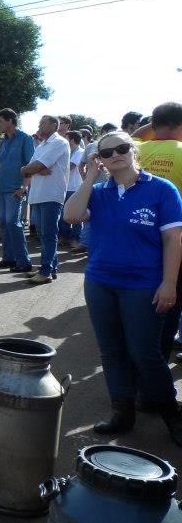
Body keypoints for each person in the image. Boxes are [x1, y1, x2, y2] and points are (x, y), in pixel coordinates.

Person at [62, 130, 182, 445]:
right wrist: (88, 178)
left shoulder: (161, 189)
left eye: (121, 148)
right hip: (101, 282)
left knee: (144, 352)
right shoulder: (99, 193)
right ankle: (122, 413)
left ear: (133, 150)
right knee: (112, 351)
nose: (115, 155)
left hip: (144, 284)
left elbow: (173, 239)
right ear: (99, 160)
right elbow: (72, 215)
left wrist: (170, 283)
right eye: (106, 152)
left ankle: (172, 414)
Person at [132, 102, 182, 362]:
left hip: (136, 239)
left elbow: (135, 136)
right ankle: (156, 367)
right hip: (173, 241)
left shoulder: (133, 151)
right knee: (169, 308)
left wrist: (152, 124)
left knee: (136, 304)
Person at [20, 115, 70, 285]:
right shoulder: (42, 144)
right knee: (43, 233)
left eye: (42, 123)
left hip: (51, 194)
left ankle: (46, 271)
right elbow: (34, 166)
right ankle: (50, 268)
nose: (39, 126)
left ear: (53, 125)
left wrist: (31, 169)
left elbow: (36, 166)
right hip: (39, 194)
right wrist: (32, 169)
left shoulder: (59, 142)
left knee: (48, 233)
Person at [0, 108, 36, 273]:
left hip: (15, 190)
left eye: (0, 121)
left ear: (10, 120)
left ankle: (24, 262)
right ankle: (8, 258)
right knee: (4, 224)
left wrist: (24, 187)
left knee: (13, 224)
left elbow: (30, 165)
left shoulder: (25, 139)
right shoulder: (3, 141)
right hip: (1, 189)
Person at [58, 131, 85, 251]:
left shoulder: (80, 152)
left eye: (67, 138)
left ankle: (75, 238)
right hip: (66, 187)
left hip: (75, 187)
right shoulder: (70, 151)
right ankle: (65, 237)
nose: (65, 140)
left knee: (76, 215)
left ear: (73, 140)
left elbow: (70, 166)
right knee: (64, 214)